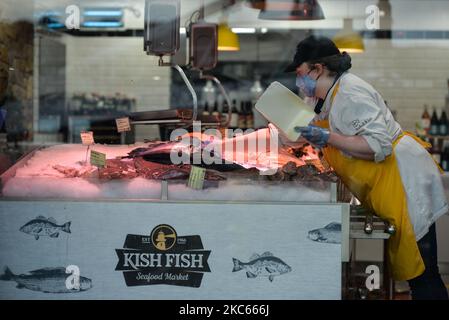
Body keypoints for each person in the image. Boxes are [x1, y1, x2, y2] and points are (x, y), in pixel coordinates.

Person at [282, 35, 448, 300]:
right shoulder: (321, 97)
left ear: (317, 69)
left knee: (424, 274)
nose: (300, 81)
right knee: (417, 271)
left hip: (405, 181)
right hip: (385, 184)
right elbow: (300, 128)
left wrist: (328, 138)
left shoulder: (350, 92)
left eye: (301, 73)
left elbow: (378, 146)